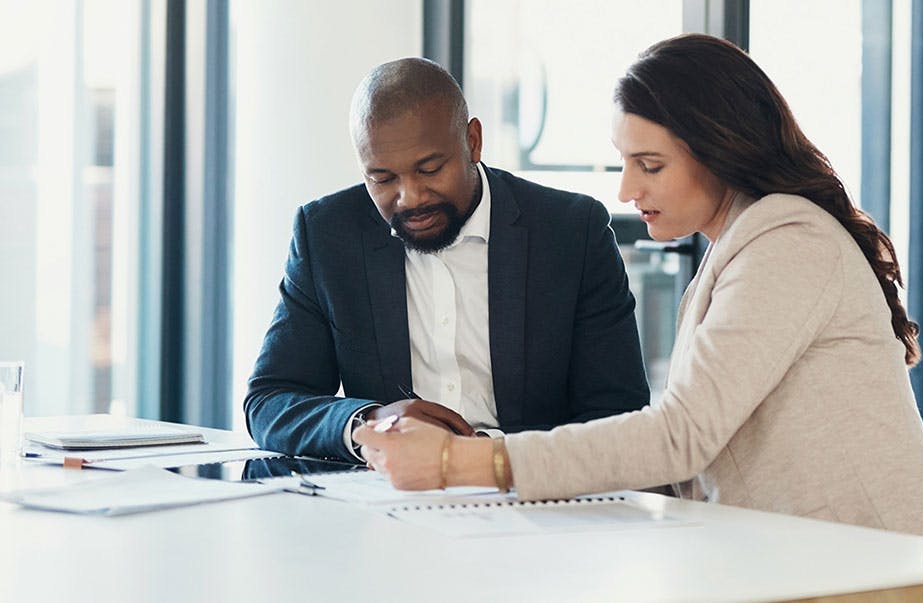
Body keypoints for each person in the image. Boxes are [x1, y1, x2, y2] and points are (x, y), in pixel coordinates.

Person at [353, 35, 923, 541]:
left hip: (893, 572)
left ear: (718, 151)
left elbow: (680, 437)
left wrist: (460, 463)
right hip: (817, 561)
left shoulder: (790, 244)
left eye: (650, 165)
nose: (626, 190)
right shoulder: (738, 252)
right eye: (624, 163)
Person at [243, 57, 650, 463]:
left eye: (430, 169)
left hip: (533, 494)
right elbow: (270, 401)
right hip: (384, 503)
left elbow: (618, 413)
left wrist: (491, 461)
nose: (410, 197)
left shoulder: (571, 231)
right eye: (383, 179)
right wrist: (369, 422)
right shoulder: (328, 234)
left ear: (472, 141)